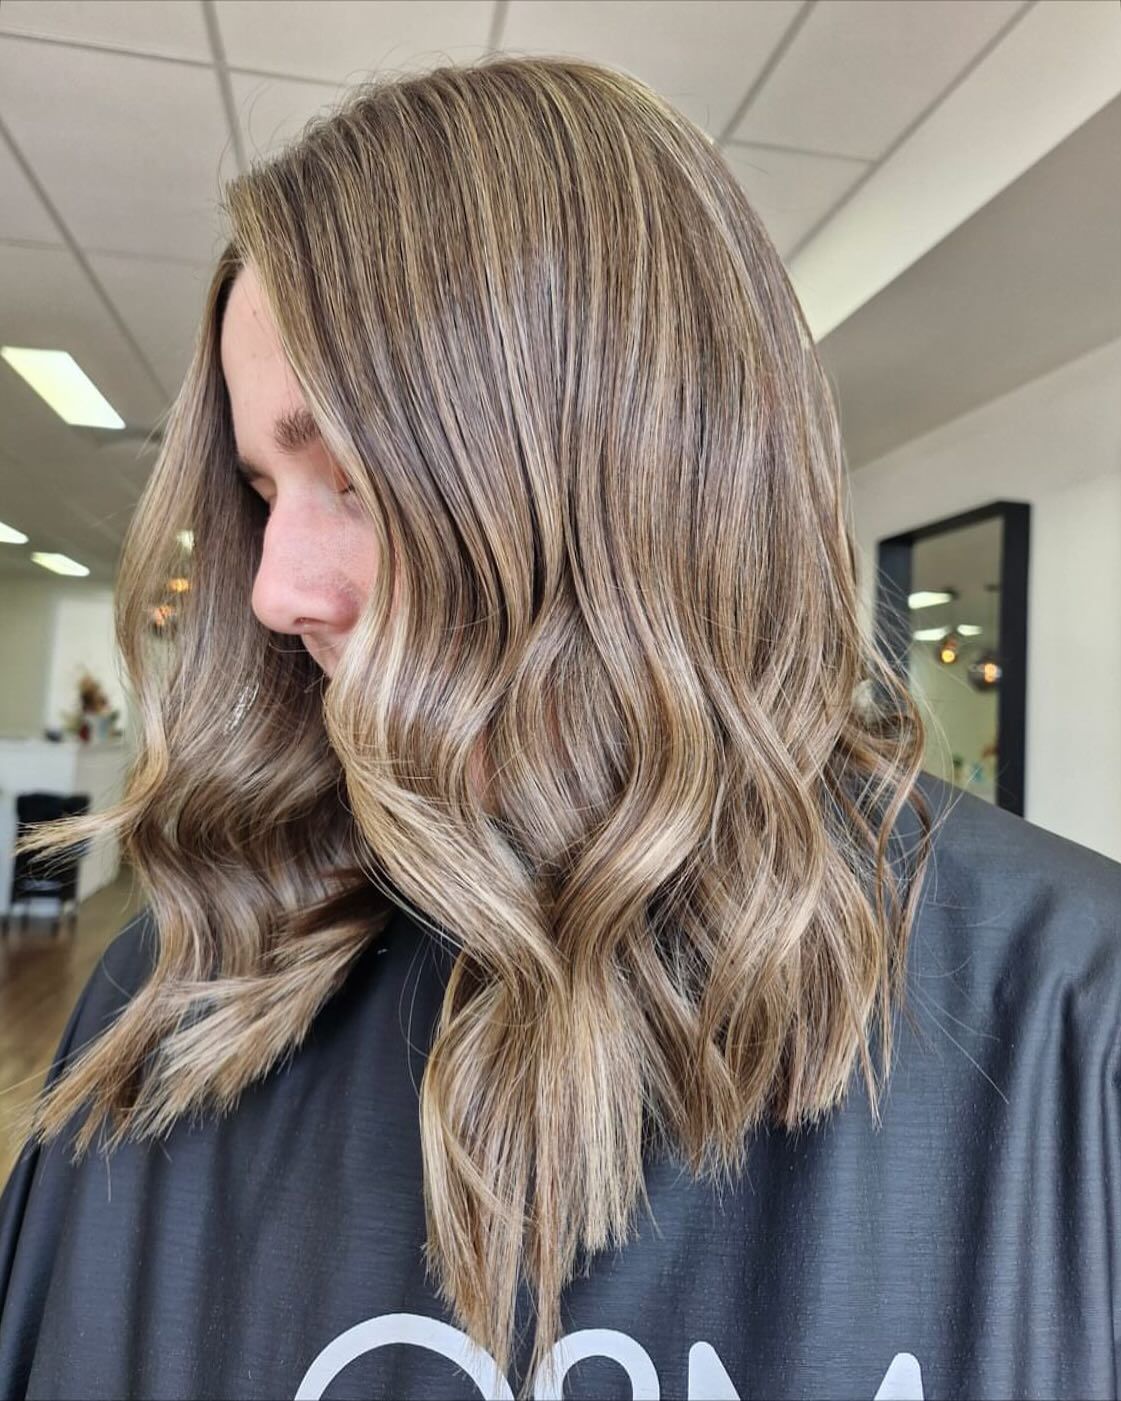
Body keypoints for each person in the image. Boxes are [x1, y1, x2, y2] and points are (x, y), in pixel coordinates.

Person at [1, 53, 1119, 1401]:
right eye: (260, 487)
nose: (273, 589)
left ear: (623, 468)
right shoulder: (172, 1008)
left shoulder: (1072, 1026)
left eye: (349, 473)